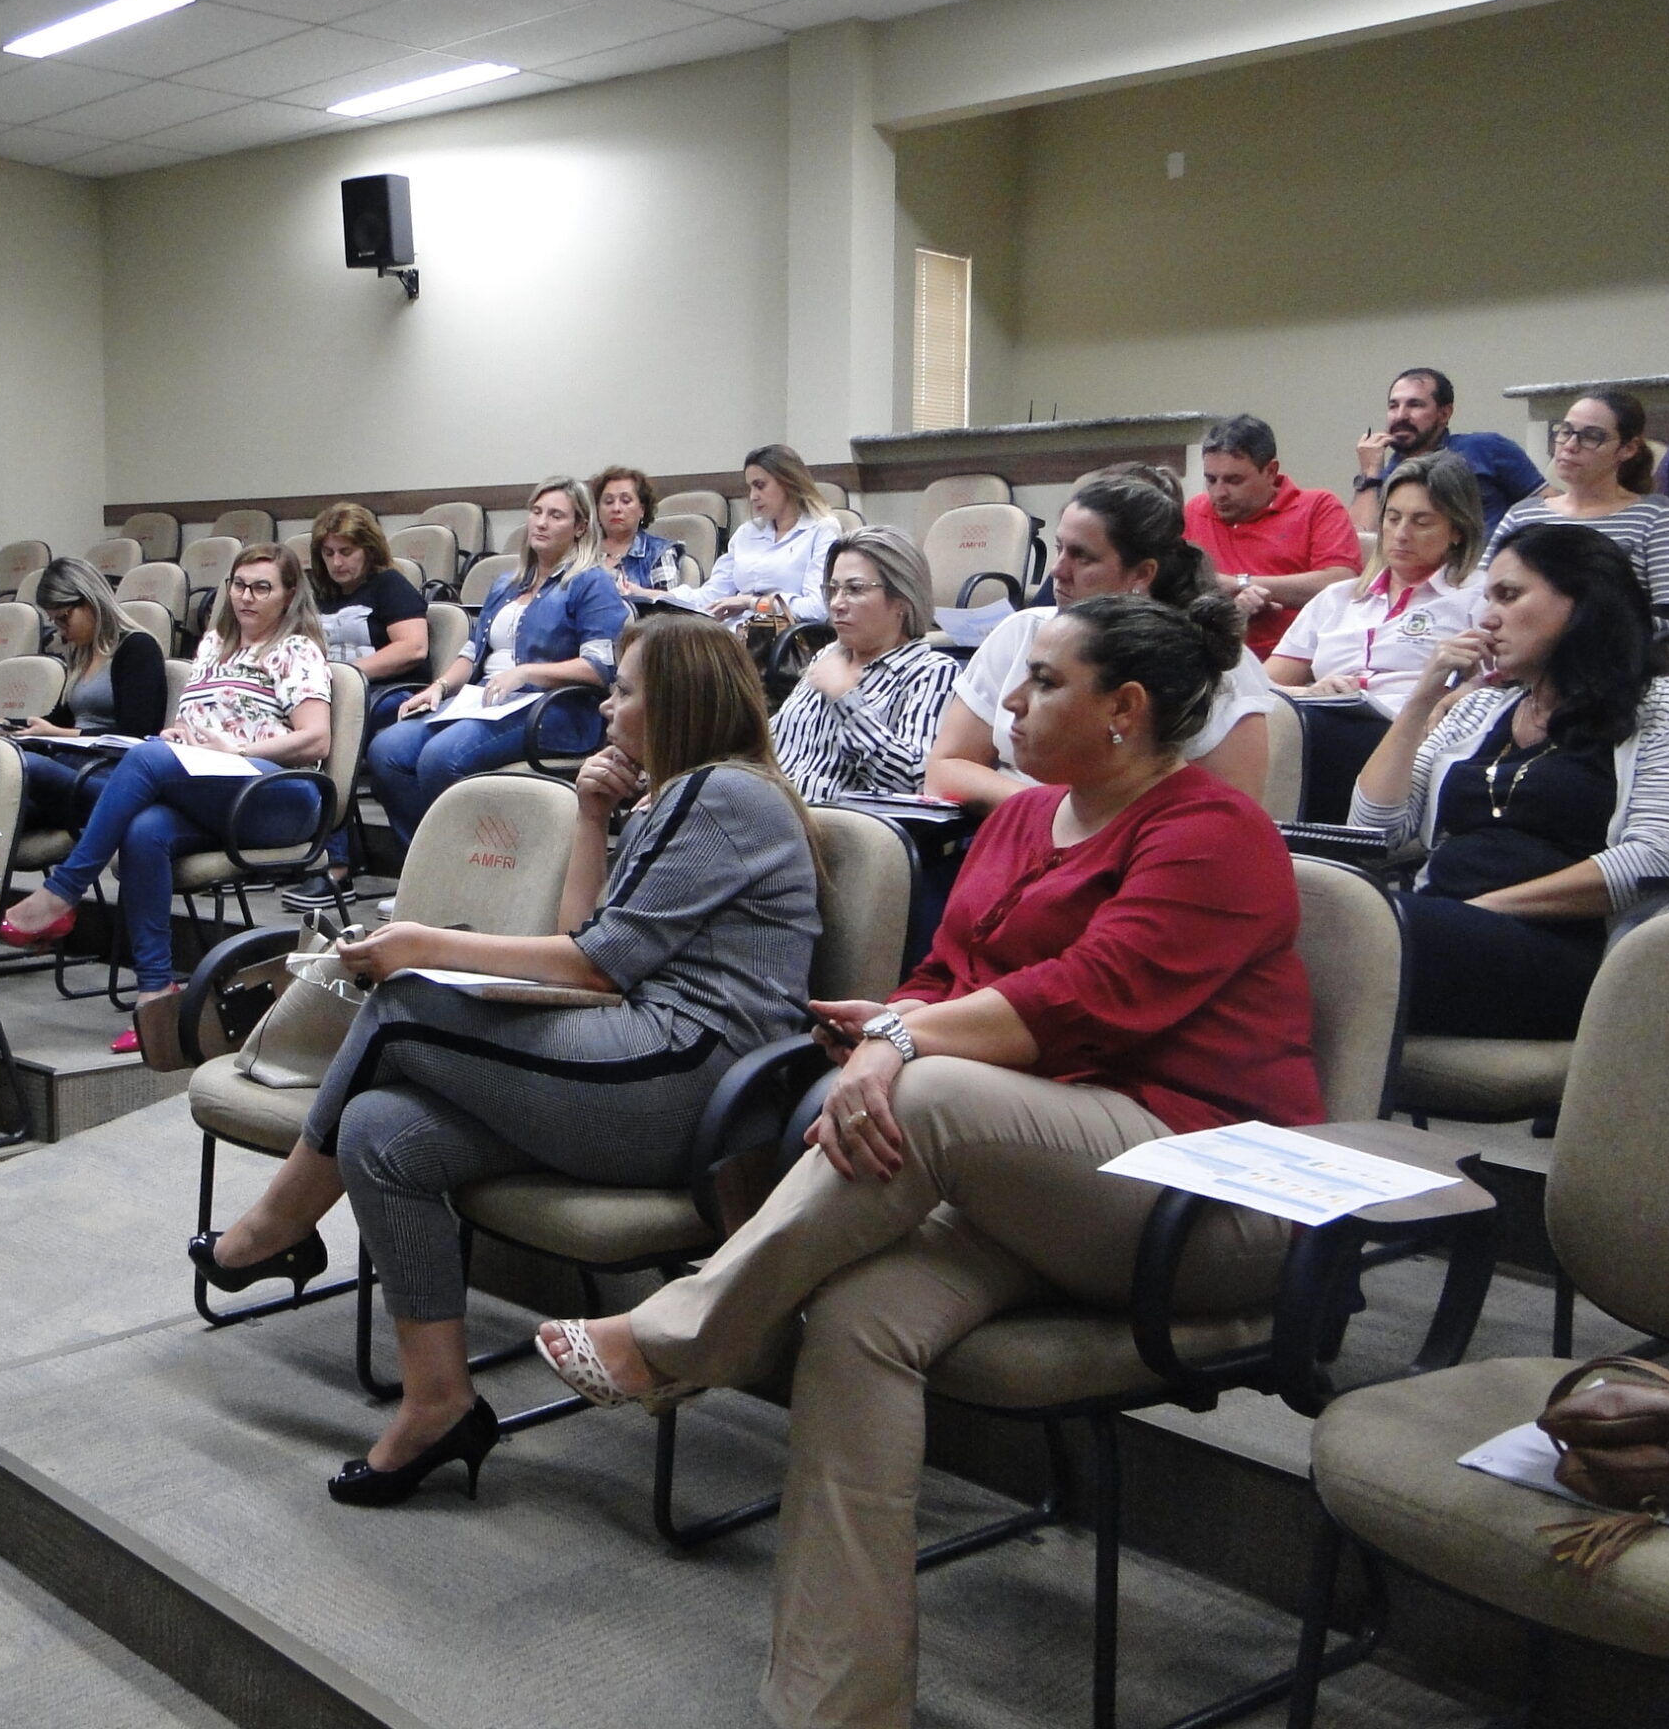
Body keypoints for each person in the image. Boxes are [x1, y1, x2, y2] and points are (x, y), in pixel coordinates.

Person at [538, 593, 1316, 1729]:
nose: (1007, 700)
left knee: (934, 1088)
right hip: (1034, 1180)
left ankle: (682, 1332)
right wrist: (884, 1027)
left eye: (1043, 681)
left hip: (1201, 1190)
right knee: (859, 1317)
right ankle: (839, 1705)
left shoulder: (1213, 831)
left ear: (1126, 709)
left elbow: (1085, 999)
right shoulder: (1018, 820)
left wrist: (897, 1048)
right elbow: (945, 977)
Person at [194, 616, 821, 1505]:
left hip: (691, 1085)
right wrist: (595, 815)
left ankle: (272, 1229)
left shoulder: (723, 794)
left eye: (629, 691)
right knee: (380, 1131)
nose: (610, 705)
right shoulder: (677, 794)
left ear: (679, 702)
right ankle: (438, 1403)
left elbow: (597, 964)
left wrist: (419, 943)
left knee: (406, 1007)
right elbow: (586, 939)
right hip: (636, 1058)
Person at [1351, 522, 1669, 1041]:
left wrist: (1478, 911)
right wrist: (1420, 700)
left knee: (1344, 929)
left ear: (1583, 602)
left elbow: (1659, 857)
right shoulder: (1483, 709)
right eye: (1487, 598)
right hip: (1434, 930)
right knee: (1309, 911)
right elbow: (1375, 834)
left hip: (1564, 953)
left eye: (1508, 596)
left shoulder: (1665, 708)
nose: (1487, 618)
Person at [0, 544, 331, 1056]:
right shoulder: (215, 645)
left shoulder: (295, 650)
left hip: (278, 795)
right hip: (217, 788)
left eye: (262, 587)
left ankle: (63, 891)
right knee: (144, 830)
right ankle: (157, 997)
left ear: (288, 597)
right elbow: (200, 722)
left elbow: (316, 739)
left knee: (146, 758)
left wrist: (238, 748)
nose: (246, 596)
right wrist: (182, 734)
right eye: (239, 584)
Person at [925, 465, 1275, 813]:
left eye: (1082, 556)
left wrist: (1078, 822)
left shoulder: (1213, 660)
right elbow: (946, 768)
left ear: (1142, 573)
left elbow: (1230, 818)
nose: (1058, 571)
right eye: (1059, 548)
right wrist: (1049, 814)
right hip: (1020, 830)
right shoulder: (1021, 632)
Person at [370, 479, 627, 850]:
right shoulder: (507, 582)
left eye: (555, 515)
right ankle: (427, 866)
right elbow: (473, 652)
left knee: (441, 758)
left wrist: (526, 673)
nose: (540, 523)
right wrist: (438, 688)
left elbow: (601, 668)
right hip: (485, 702)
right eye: (536, 512)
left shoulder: (591, 583)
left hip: (552, 709)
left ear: (580, 527)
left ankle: (468, 872)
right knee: (387, 750)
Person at [1267, 454, 1487, 822]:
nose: (1401, 534)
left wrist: (1456, 694)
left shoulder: (1477, 597)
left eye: (1421, 522)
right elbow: (1263, 687)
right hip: (1320, 719)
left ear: (1457, 531)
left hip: (1404, 732)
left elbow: (1499, 684)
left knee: (1307, 739)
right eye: (1393, 518)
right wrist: (1311, 692)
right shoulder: (1336, 598)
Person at [288, 508, 428, 912]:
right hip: (337, 697)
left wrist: (345, 677)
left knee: (332, 734)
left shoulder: (389, 586)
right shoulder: (318, 593)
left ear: (367, 549)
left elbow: (412, 648)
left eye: (346, 551)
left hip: (391, 696)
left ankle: (337, 866)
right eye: (329, 553)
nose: (337, 562)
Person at [769, 526, 960, 802]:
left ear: (902, 600)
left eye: (854, 589)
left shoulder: (931, 671)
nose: (836, 603)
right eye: (832, 590)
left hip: (839, 832)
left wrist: (847, 700)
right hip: (771, 815)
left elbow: (914, 781)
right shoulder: (828, 655)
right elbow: (778, 743)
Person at [1480, 388, 1669, 625]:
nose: (1570, 445)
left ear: (1628, 449)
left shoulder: (1655, 515)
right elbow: (1478, 595)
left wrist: (1575, 630)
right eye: (1565, 431)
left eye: (1592, 436)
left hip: (1615, 655)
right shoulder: (1523, 513)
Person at [5, 556, 169, 836]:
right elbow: (59, 721)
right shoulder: (82, 655)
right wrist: (6, 725)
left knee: (24, 767)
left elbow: (136, 735)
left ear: (90, 601)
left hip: (109, 776)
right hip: (71, 769)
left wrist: (60, 734)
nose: (62, 631)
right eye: (55, 622)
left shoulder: (138, 648)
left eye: (64, 618)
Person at [1183, 414, 1361, 657]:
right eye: (1211, 480)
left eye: (1234, 480)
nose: (1219, 492)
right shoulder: (1194, 511)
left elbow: (1340, 584)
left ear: (1270, 471)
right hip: (1214, 657)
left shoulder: (1318, 506)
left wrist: (1240, 584)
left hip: (1300, 659)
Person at [1350, 366, 1544, 533]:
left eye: (1414, 405)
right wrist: (1369, 473)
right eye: (1393, 406)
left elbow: (1553, 507)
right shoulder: (1380, 478)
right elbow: (1363, 545)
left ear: (1444, 413)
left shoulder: (1486, 448)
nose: (1401, 415)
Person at [670, 445, 842, 629]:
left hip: (788, 639)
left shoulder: (822, 530)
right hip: (737, 633)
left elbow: (817, 609)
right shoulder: (747, 532)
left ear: (788, 482)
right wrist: (659, 597)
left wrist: (751, 603)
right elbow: (712, 595)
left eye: (760, 486)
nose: (753, 496)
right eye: (750, 488)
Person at [588, 465, 682, 600]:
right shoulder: (582, 552)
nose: (616, 508)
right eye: (608, 501)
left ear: (642, 510)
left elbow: (670, 610)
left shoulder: (659, 552)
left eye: (625, 501)